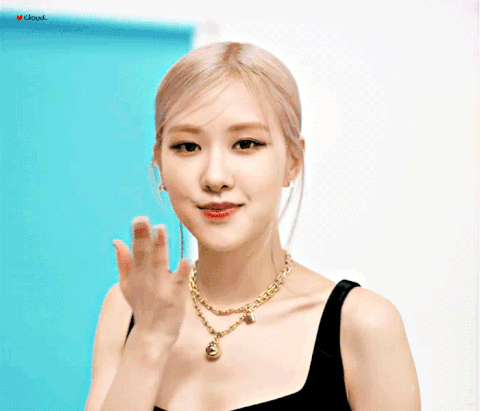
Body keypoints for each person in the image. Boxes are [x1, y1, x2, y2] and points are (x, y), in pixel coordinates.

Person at [85, 42, 421, 411]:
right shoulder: (127, 309)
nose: (215, 177)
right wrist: (148, 342)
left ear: (293, 161)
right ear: (160, 164)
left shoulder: (362, 325)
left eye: (245, 143)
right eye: (188, 146)